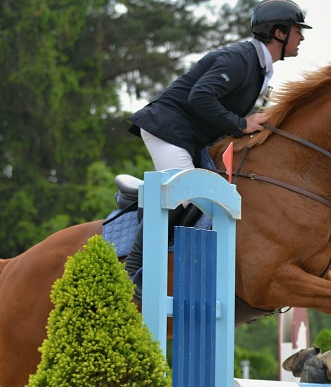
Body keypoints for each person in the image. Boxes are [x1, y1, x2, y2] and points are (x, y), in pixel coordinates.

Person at [123, 0, 311, 298]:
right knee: (185, 194)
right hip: (168, 128)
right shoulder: (240, 58)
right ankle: (132, 270)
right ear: (279, 32)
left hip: (191, 136)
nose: (301, 37)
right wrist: (241, 124)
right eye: (298, 31)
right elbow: (200, 96)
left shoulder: (260, 67)